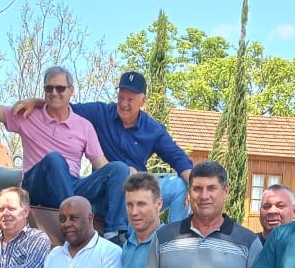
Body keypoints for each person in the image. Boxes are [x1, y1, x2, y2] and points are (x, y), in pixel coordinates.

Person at [0, 62, 128, 233]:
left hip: (70, 185)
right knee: (54, 159)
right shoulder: (27, 115)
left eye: (60, 88)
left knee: (119, 168)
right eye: (49, 88)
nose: (54, 93)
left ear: (71, 91)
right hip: (37, 184)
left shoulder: (84, 126)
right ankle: (71, 222)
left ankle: (115, 232)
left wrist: (131, 180)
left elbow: (102, 165)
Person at [14, 71, 194, 227]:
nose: (123, 104)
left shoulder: (153, 129)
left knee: (180, 186)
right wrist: (36, 102)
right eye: (121, 97)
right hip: (106, 192)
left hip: (138, 187)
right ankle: (119, 233)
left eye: (130, 99)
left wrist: (194, 186)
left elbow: (178, 158)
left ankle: (176, 241)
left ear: (143, 101)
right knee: (122, 182)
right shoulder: (100, 113)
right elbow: (63, 105)